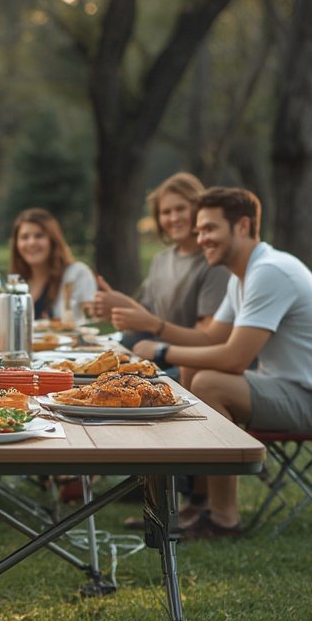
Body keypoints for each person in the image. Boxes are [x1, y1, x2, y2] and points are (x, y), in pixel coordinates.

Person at [126, 186, 312, 538]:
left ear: (242, 226)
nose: (201, 239)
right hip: (295, 388)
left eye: (210, 229)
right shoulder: (243, 276)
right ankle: (198, 503)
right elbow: (211, 339)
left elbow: (235, 358)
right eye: (199, 230)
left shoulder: (271, 271)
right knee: (194, 370)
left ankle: (224, 519)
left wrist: (161, 352)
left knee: (211, 383)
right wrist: (155, 332)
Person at [92, 172, 230, 523]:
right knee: (107, 379)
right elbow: (146, 318)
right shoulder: (162, 261)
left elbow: (207, 337)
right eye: (166, 212)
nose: (173, 218)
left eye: (180, 208)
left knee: (146, 391)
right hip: (156, 355)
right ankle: (145, 492)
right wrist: (117, 305)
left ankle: (180, 497)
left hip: (194, 362)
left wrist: (148, 328)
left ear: (197, 209)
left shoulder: (212, 264)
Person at [9, 208, 95, 322]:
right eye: (24, 237)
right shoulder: (17, 283)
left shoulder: (77, 273)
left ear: (53, 240)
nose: (31, 242)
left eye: (39, 236)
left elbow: (92, 320)